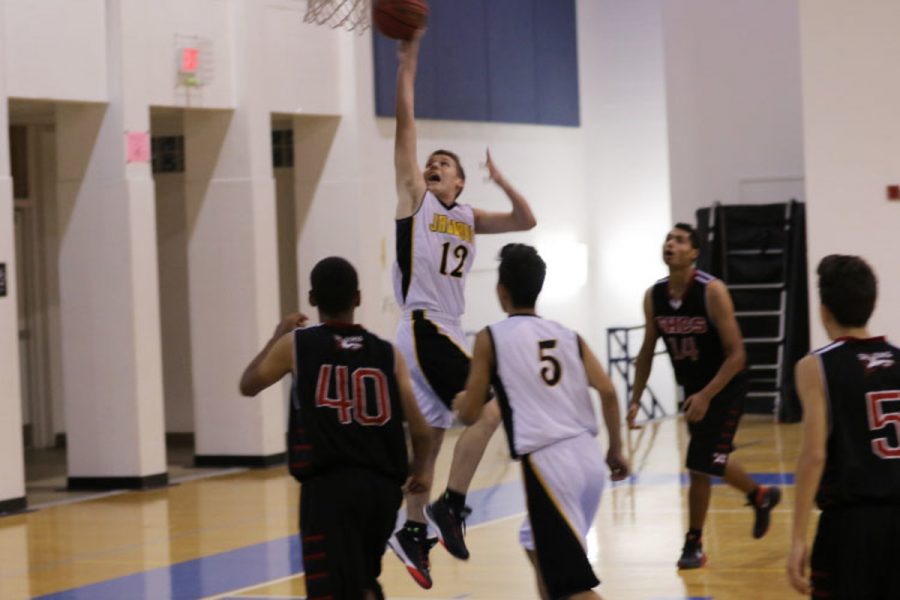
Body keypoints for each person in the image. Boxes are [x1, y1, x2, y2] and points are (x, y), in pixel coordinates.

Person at [387, 29, 538, 588]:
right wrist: (409, 60)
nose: (433, 163)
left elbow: (525, 221)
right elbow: (405, 126)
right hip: (423, 322)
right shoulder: (415, 202)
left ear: (460, 180)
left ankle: (411, 527)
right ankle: (452, 505)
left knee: (424, 448)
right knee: (493, 406)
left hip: (440, 330)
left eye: (444, 162)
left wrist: (503, 182)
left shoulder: (469, 215)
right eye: (431, 161)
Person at [239, 257, 432, 600]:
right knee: (363, 583)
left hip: (329, 491)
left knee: (331, 590)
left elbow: (249, 384)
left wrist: (276, 336)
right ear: (358, 298)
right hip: (381, 492)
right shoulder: (389, 354)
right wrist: (422, 469)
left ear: (312, 300)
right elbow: (420, 428)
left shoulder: (296, 345)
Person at [454, 244, 629, 600]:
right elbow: (609, 391)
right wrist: (616, 449)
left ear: (501, 292)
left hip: (550, 465)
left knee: (572, 586)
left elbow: (470, 413)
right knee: (533, 543)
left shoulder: (490, 337)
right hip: (587, 458)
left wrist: (461, 402)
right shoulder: (568, 335)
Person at [627, 223, 781, 569]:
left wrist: (707, 395)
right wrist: (636, 398)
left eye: (680, 240)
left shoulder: (712, 291)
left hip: (726, 384)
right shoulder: (654, 296)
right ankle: (760, 496)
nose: (671, 243)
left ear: (694, 253)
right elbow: (648, 351)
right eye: (668, 238)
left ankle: (693, 543)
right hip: (694, 389)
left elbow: (737, 353)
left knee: (698, 464)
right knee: (712, 458)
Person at [787, 255, 900, 598]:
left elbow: (814, 455)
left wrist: (797, 538)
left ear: (824, 310)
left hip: (849, 528)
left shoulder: (815, 366)